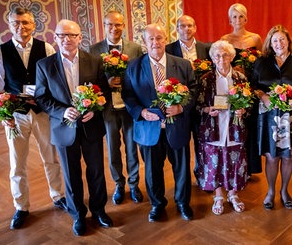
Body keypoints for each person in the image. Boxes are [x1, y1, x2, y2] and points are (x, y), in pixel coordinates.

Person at [0, 7, 67, 230]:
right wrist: (4, 115)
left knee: (50, 157)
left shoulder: (47, 48)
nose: (20, 27)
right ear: (9, 25)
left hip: (43, 113)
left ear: (33, 25)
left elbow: (56, 80)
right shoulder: (0, 52)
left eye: (25, 22)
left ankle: (58, 196)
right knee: (17, 163)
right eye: (15, 23)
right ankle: (21, 206)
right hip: (16, 115)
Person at [35, 20, 112, 236]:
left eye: (72, 35)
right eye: (62, 35)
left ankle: (99, 210)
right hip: (63, 128)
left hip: (91, 126)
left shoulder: (94, 61)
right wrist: (62, 111)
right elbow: (41, 97)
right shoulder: (44, 65)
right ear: (55, 38)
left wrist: (94, 109)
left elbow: (104, 93)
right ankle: (78, 214)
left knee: (96, 171)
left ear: (80, 38)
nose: (67, 39)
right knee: (71, 174)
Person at [122, 24, 197, 222]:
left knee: (181, 168)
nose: (155, 42)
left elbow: (194, 91)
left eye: (159, 38)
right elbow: (128, 96)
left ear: (166, 39)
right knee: (153, 170)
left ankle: (182, 203)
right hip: (149, 128)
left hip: (177, 125)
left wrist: (182, 107)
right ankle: (157, 204)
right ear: (145, 42)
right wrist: (141, 112)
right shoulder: (133, 66)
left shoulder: (182, 64)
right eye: (151, 39)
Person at [251, 25, 292, 210]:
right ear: (270, 42)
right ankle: (270, 191)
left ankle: (284, 191)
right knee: (271, 157)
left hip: (291, 117)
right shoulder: (261, 61)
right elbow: (253, 85)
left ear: (288, 41)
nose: (279, 43)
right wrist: (263, 96)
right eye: (275, 40)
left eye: (282, 39)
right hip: (268, 116)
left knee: (288, 156)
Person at [89, 11, 144, 205]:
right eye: (110, 24)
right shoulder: (94, 50)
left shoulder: (135, 48)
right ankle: (119, 185)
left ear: (124, 25)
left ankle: (135, 184)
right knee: (113, 148)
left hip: (129, 107)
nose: (114, 28)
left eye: (118, 25)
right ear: (104, 26)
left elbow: (140, 75)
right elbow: (92, 79)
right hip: (108, 108)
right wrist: (107, 82)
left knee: (131, 147)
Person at [195, 40, 248, 215]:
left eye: (225, 54)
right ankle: (218, 196)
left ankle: (233, 194)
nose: (221, 58)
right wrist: (207, 110)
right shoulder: (206, 79)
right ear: (212, 58)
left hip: (234, 127)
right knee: (214, 161)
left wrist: (243, 110)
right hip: (213, 127)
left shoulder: (240, 78)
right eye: (217, 55)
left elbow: (249, 104)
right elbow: (197, 105)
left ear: (231, 57)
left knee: (235, 160)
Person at [166, 15, 211, 182]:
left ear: (195, 28)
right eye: (183, 26)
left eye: (190, 25)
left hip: (202, 103)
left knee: (202, 141)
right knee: (182, 143)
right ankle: (182, 178)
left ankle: (202, 173)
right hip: (181, 105)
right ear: (177, 29)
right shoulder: (169, 50)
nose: (187, 29)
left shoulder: (206, 49)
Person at [221, 3, 263, 176]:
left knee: (250, 125)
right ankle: (234, 162)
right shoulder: (225, 38)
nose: (238, 20)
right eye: (234, 16)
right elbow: (222, 60)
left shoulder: (256, 39)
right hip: (232, 86)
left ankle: (250, 166)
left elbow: (261, 62)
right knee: (234, 124)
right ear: (230, 19)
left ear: (246, 18)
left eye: (241, 16)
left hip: (250, 86)